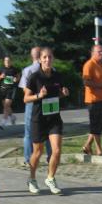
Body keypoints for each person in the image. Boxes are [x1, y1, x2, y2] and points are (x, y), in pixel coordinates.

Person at [24, 46, 69, 195]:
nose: (47, 60)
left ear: (53, 58)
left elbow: (59, 93)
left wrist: (63, 93)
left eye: (50, 57)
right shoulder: (34, 77)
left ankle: (50, 178)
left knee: (56, 150)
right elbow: (26, 98)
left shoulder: (58, 76)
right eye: (44, 57)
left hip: (54, 118)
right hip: (39, 119)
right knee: (38, 152)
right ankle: (32, 179)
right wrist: (39, 95)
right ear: (40, 59)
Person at [19, 46, 50, 165]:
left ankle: (28, 159)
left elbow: (24, 90)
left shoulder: (28, 70)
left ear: (32, 56)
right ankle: (51, 157)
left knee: (28, 133)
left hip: (32, 102)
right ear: (41, 56)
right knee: (49, 129)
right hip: (48, 102)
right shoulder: (51, 68)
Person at [81, 44, 102, 155]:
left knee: (100, 124)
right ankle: (99, 150)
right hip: (93, 100)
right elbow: (86, 82)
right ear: (92, 53)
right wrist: (101, 85)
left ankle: (87, 146)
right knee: (95, 125)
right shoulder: (89, 65)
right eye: (99, 51)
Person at [0, 55, 19, 128]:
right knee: (6, 106)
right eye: (6, 61)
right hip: (3, 90)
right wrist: (0, 77)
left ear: (11, 61)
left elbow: (18, 77)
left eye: (8, 61)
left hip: (11, 90)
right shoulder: (1, 69)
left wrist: (16, 79)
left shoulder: (14, 70)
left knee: (6, 106)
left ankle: (3, 123)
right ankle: (13, 117)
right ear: (4, 62)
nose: (7, 62)